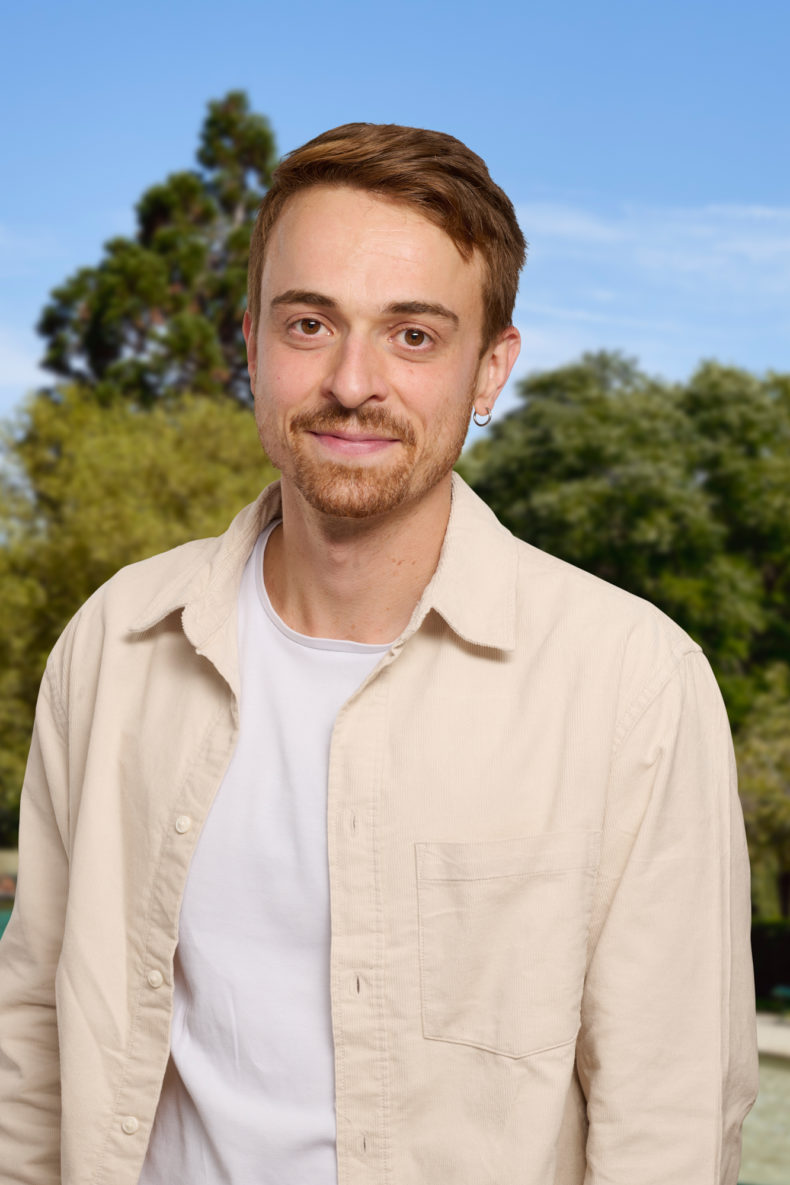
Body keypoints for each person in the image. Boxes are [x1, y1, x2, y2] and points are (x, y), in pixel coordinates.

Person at [0, 123, 757, 1185]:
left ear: (490, 369)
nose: (353, 381)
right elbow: (32, 1043)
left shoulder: (634, 685)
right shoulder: (114, 644)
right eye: (310, 324)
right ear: (252, 346)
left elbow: (668, 1123)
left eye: (413, 335)